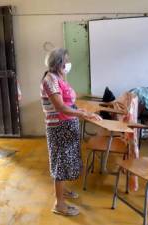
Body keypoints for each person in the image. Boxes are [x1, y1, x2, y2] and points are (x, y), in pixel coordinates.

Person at [40, 48, 102, 216]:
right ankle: (59, 204)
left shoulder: (60, 78)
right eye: (66, 60)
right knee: (60, 162)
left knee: (66, 161)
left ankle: (63, 190)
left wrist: (84, 111)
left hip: (67, 126)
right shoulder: (49, 80)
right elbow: (60, 107)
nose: (68, 63)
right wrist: (82, 113)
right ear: (58, 62)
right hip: (59, 127)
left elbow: (70, 103)